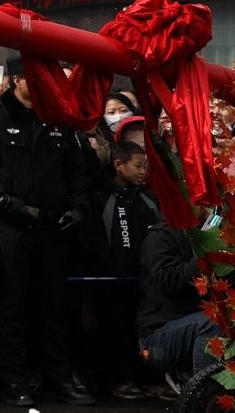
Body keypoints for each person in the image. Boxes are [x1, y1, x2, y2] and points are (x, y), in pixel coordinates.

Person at [0, 53, 96, 407]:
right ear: (16, 80)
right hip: (12, 227)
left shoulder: (58, 118)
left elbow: (76, 171)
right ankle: (12, 378)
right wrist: (7, 204)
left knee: (54, 306)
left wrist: (78, 207)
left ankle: (59, 376)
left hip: (53, 226)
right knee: (12, 306)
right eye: (34, 76)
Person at [83, 140, 160, 399]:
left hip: (145, 280)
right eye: (138, 166)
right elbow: (94, 237)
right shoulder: (100, 196)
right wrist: (108, 264)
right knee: (115, 330)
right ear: (118, 165)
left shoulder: (148, 198)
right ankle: (120, 380)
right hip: (112, 280)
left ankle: (148, 379)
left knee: (143, 330)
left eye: (145, 166)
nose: (143, 172)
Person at [136, 218, 217, 375]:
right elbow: (166, 280)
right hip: (157, 334)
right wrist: (204, 260)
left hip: (195, 322)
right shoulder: (161, 236)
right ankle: (204, 392)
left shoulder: (212, 236)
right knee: (214, 323)